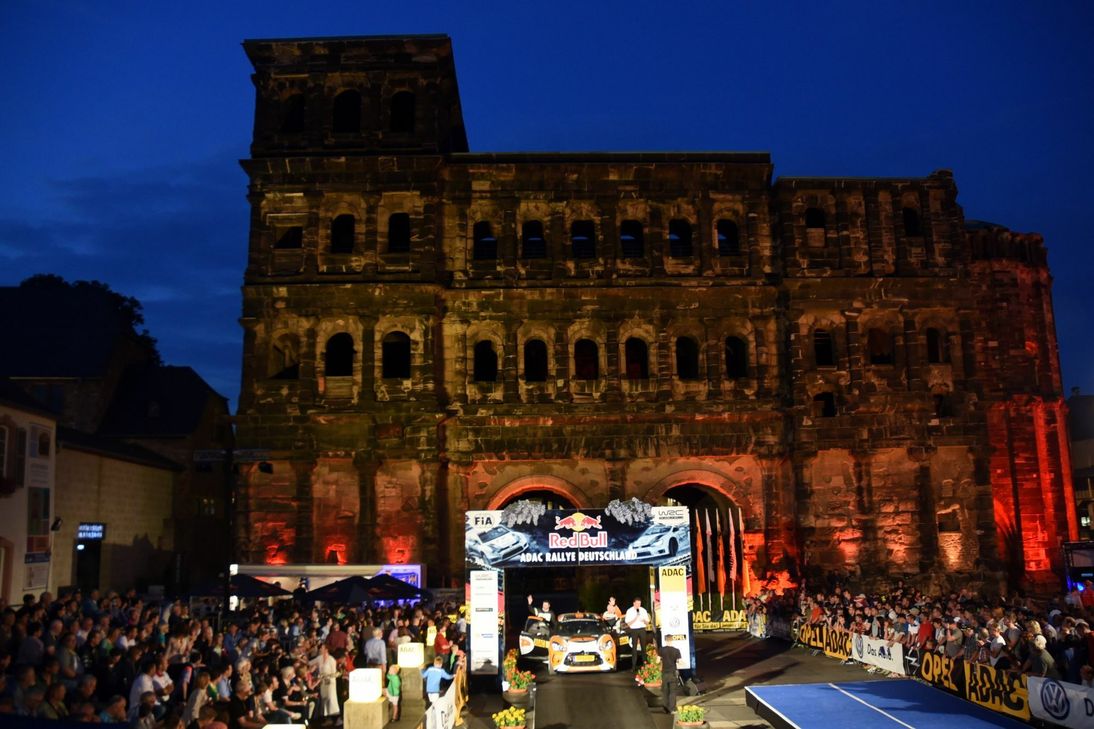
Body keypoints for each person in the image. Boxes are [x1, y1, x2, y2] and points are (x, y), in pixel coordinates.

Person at [309, 642, 340, 723]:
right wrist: (300, 658)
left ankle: (335, 717)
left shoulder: (331, 659)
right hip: (322, 682)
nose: (320, 649)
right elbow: (309, 663)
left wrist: (327, 676)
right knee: (324, 699)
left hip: (330, 682)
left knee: (331, 698)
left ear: (326, 649)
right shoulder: (319, 658)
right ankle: (327, 718)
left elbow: (334, 673)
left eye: (322, 648)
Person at [624, 598, 651, 670]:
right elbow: (628, 623)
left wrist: (644, 620)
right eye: (637, 603)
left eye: (639, 603)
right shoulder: (629, 611)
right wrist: (635, 618)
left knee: (643, 648)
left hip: (642, 629)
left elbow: (647, 622)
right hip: (634, 630)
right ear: (634, 603)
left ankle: (645, 664)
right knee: (634, 648)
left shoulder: (643, 610)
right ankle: (633, 666)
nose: (638, 605)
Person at [657, 638, 682, 714]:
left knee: (665, 691)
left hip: (664, 673)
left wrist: (662, 660)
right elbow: (679, 662)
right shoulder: (676, 650)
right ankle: (672, 709)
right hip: (673, 673)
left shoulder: (661, 650)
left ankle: (665, 709)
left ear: (666, 640)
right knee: (673, 692)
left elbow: (657, 661)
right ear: (671, 640)